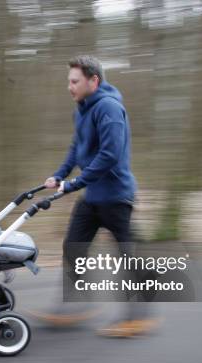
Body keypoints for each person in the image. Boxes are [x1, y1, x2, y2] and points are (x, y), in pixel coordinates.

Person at [35, 55, 159, 337]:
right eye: (69, 81)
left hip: (116, 196)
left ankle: (139, 317)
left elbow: (110, 155)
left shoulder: (109, 109)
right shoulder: (81, 109)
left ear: (94, 81)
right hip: (93, 196)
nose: (70, 87)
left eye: (75, 81)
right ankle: (76, 306)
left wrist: (76, 183)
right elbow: (76, 147)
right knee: (73, 247)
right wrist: (60, 175)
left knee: (128, 257)